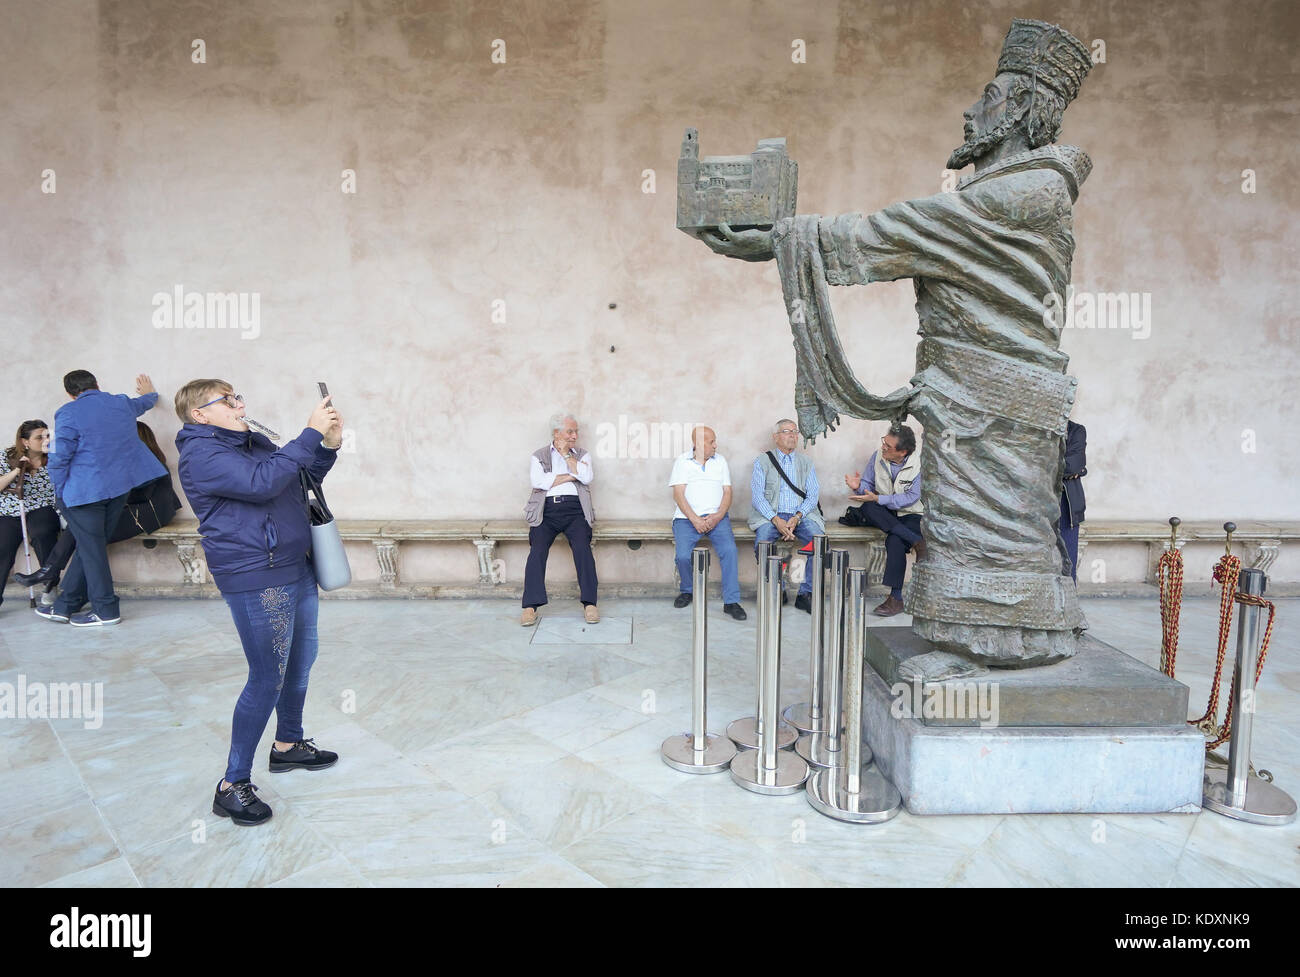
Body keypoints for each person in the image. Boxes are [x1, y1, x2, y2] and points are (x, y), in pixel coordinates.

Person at [698, 18, 1094, 667]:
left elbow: (892, 231)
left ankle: (1016, 634)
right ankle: (993, 629)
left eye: (988, 97)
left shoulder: (1027, 194)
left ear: (1021, 107)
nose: (971, 112)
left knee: (1006, 545)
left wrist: (781, 238)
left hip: (1000, 416)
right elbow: (909, 232)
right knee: (972, 541)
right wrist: (784, 240)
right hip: (968, 413)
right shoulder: (1005, 194)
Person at [175, 379, 342, 827]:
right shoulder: (201, 454)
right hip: (255, 574)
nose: (239, 404)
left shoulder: (254, 442)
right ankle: (231, 785)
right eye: (227, 401)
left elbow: (300, 477)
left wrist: (327, 446)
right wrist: (307, 434)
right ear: (200, 414)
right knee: (266, 677)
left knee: (302, 660)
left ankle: (287, 745)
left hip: (294, 564)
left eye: (238, 396)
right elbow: (262, 483)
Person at [39, 370, 166, 626]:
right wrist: (150, 392)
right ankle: (65, 605)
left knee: (92, 550)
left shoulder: (67, 412)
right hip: (119, 490)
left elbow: (59, 456)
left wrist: (59, 490)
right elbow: (146, 402)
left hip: (83, 494)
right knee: (91, 549)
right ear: (97, 384)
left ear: (70, 393)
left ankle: (106, 610)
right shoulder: (121, 403)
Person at [15, 422, 181, 595]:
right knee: (84, 528)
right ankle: (56, 578)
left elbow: (140, 496)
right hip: (134, 511)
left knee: (87, 535)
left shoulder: (148, 463)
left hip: (150, 514)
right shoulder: (134, 461)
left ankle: (63, 586)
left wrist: (109, 496)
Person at [522, 412, 598, 627]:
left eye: (576, 431)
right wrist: (572, 475)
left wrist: (567, 457)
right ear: (556, 433)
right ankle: (530, 606)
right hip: (546, 511)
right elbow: (538, 482)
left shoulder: (582, 454)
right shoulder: (539, 455)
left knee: (583, 548)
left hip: (576, 511)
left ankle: (590, 603)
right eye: (570, 431)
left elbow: (587, 477)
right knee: (537, 551)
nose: (574, 435)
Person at [844, 425, 926, 617]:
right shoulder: (877, 457)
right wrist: (858, 487)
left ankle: (895, 598)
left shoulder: (920, 463)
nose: (883, 447)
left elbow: (911, 497)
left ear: (903, 451)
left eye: (888, 446)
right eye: (884, 442)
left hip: (911, 513)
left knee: (894, 540)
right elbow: (868, 485)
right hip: (886, 513)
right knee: (867, 507)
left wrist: (879, 499)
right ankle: (916, 542)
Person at [670, 426, 746, 621]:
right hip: (687, 519)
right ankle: (687, 590)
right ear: (697, 443)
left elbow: (728, 493)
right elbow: (678, 494)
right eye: (711, 442)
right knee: (683, 557)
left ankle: (731, 602)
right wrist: (695, 519)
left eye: (714, 441)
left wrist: (717, 516)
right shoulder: (682, 461)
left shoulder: (720, 461)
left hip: (717, 518)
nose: (715, 445)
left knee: (729, 551)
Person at [749, 418, 824, 612]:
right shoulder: (762, 461)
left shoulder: (806, 462)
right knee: (763, 542)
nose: (792, 435)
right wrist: (776, 520)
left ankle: (805, 594)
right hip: (770, 515)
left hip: (802, 515)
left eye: (795, 431)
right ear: (776, 437)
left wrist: (797, 517)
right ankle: (777, 589)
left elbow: (813, 495)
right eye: (786, 431)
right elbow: (758, 497)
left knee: (819, 543)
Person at [1, 421, 60, 609]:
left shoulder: (55, 458)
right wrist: (17, 470)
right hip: (10, 510)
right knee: (2, 547)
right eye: (39, 437)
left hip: (42, 507)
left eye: (47, 435)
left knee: (43, 534)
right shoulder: (6, 457)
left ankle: (50, 585)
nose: (46, 440)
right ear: (25, 442)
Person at [1060, 420, 1086, 582]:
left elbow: (1072, 466)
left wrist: (1079, 470)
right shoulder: (1036, 430)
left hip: (1066, 509)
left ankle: (1068, 606)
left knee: (1067, 568)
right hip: (1038, 508)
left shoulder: (1076, 430)